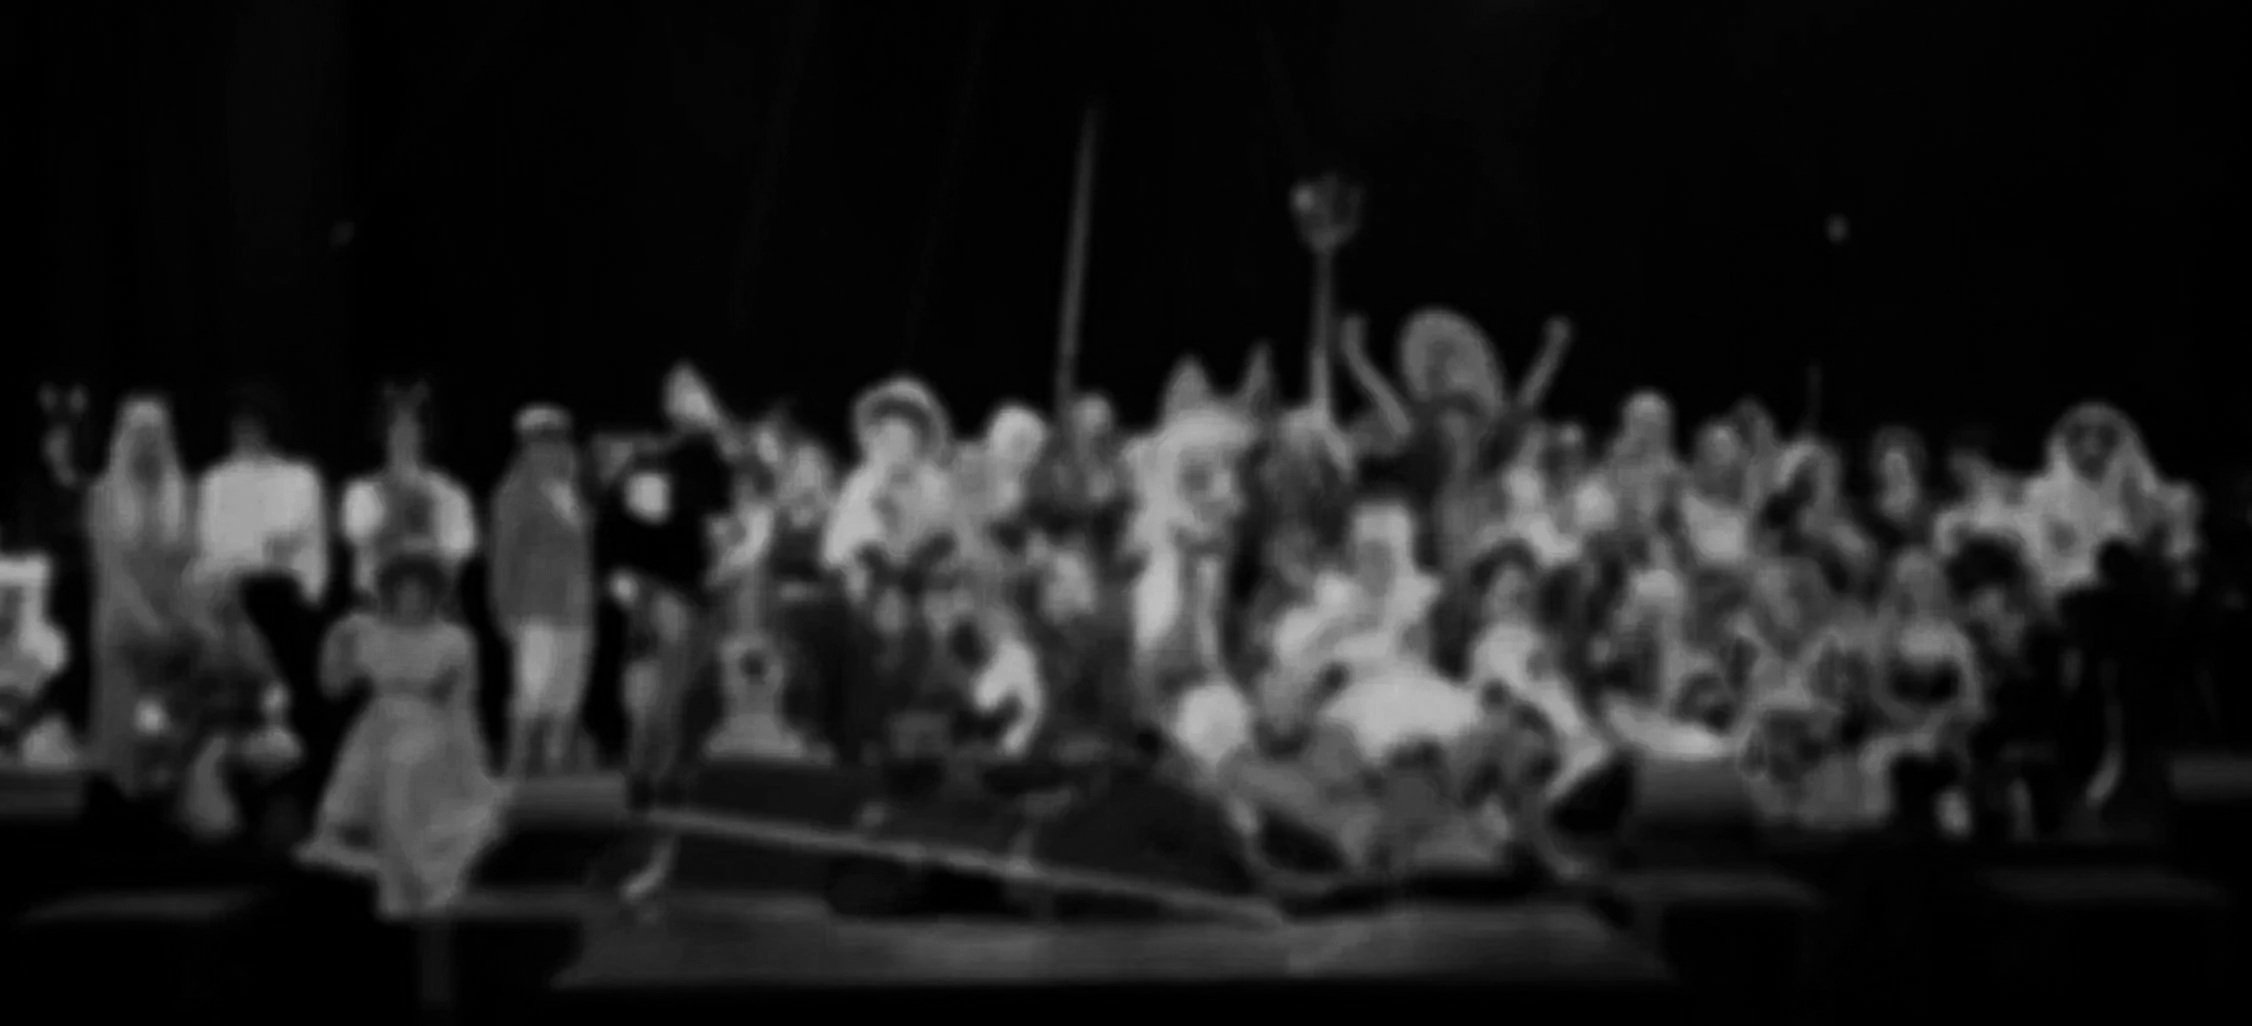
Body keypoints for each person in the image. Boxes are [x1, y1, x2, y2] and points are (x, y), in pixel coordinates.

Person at [298, 552, 508, 920]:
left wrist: (472, 761)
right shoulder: (369, 634)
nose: (412, 599)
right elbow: (333, 687)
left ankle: (417, 884)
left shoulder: (454, 640)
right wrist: (338, 642)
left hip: (430, 726)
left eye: (420, 591)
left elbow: (461, 707)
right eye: (403, 590)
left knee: (406, 771)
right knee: (377, 776)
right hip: (375, 728)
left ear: (435, 594)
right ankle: (397, 887)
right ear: (389, 593)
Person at [601, 363, 733, 809]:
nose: (697, 401)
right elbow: (641, 521)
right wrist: (625, 574)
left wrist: (721, 557)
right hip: (665, 589)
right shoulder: (657, 458)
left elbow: (720, 524)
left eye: (700, 391)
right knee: (662, 684)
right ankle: (645, 774)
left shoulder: (716, 459)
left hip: (701, 590)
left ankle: (670, 773)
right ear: (670, 405)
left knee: (689, 686)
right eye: (684, 393)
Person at [85, 398, 199, 802]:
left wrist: (175, 622)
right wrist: (147, 622)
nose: (148, 443)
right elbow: (111, 570)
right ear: (124, 438)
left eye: (155, 434)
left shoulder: (184, 492)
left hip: (173, 632)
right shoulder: (104, 494)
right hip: (122, 630)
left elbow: (190, 563)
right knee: (122, 733)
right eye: (139, 434)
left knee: (163, 729)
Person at [489, 405, 596, 779]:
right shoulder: (515, 492)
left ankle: (555, 764)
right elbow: (503, 555)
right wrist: (503, 607)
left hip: (577, 607)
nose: (552, 451)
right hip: (535, 605)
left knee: (568, 689)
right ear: (527, 448)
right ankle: (518, 764)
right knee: (533, 688)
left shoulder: (574, 493)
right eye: (542, 444)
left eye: (558, 442)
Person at [340, 384, 477, 600]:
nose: (404, 436)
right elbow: (359, 539)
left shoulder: (450, 492)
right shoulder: (361, 491)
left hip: (433, 603)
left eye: (413, 428)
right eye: (396, 428)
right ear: (383, 434)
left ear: (425, 434)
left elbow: (459, 551)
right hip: (375, 602)